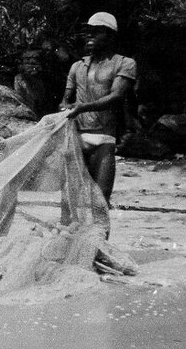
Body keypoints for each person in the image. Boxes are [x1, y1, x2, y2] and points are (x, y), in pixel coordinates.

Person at [59, 11, 138, 205]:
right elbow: (65, 100)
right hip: (76, 138)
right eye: (88, 31)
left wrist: (81, 107)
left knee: (100, 204)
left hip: (104, 139)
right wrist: (64, 109)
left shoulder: (125, 63)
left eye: (96, 32)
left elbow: (116, 96)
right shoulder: (77, 66)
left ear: (110, 35)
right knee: (69, 202)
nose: (90, 36)